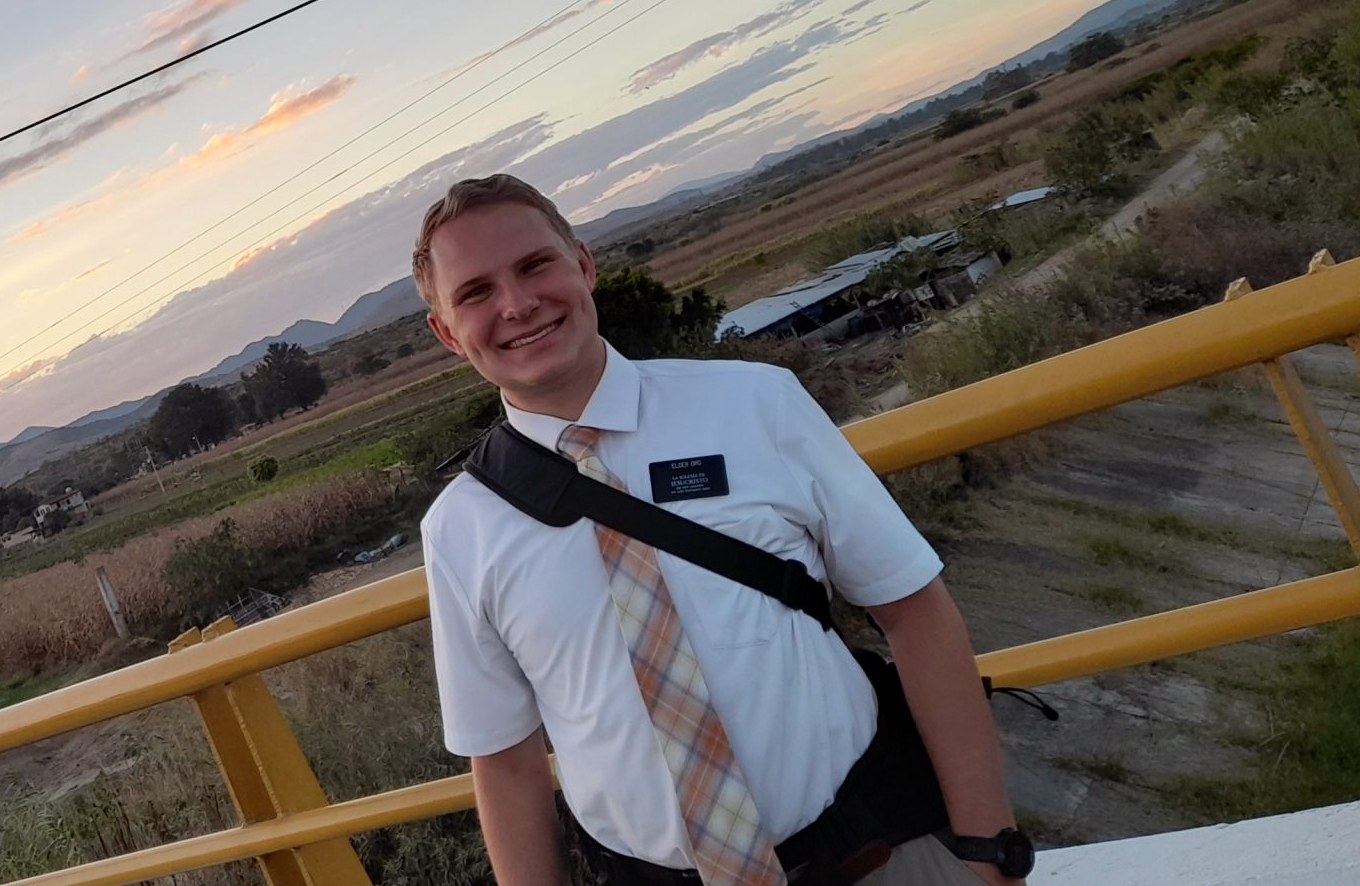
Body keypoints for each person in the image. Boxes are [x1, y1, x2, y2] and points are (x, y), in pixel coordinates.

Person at [415, 175, 1026, 886]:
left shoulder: (754, 404)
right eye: (475, 292)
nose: (517, 304)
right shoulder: (460, 529)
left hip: (878, 854)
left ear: (583, 264)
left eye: (534, 265)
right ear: (446, 332)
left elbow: (912, 608)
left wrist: (990, 846)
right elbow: (505, 761)